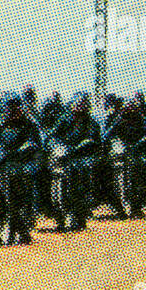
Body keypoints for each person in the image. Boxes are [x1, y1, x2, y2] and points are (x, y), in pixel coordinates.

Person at [0, 95, 44, 243]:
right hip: (1, 161)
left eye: (17, 107)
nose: (14, 110)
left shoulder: (30, 122)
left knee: (20, 194)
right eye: (10, 107)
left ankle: (22, 227)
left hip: (23, 162)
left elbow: (36, 142)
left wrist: (25, 150)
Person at [49, 93, 101, 229]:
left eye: (83, 104)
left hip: (82, 157)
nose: (80, 106)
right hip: (65, 156)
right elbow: (52, 135)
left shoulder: (91, 122)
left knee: (82, 185)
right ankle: (58, 216)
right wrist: (55, 145)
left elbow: (95, 140)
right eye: (78, 103)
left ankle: (80, 216)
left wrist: (85, 146)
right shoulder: (64, 119)